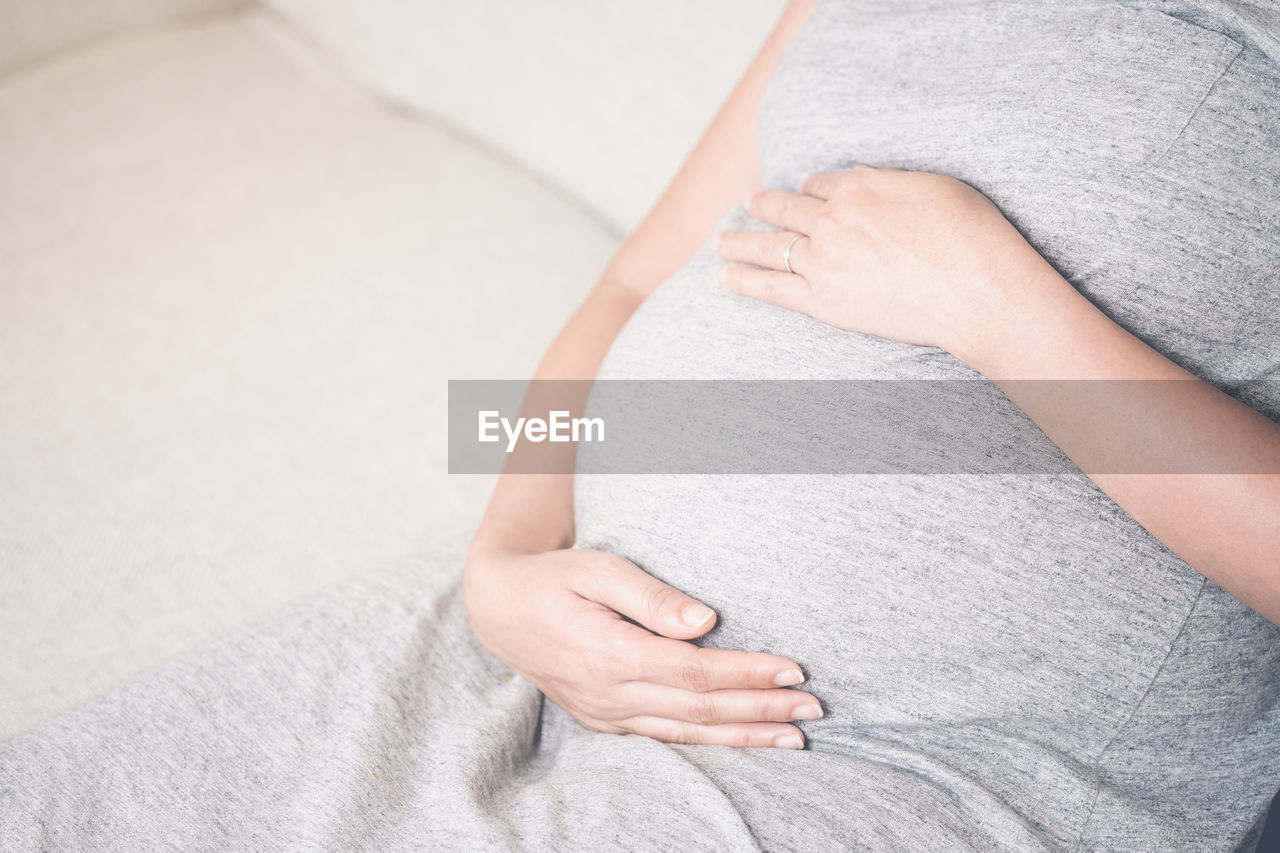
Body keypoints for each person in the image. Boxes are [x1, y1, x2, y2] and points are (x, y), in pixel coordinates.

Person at [2, 0, 1278, 850]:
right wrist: (501, 564)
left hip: (914, 758)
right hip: (542, 624)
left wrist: (1007, 315)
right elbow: (631, 279)